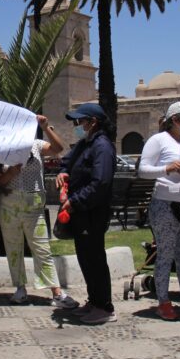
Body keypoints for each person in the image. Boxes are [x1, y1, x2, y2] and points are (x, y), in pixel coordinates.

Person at [0, 114, 78, 309]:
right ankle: (20, 288)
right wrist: (11, 173)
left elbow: (58, 148)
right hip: (9, 206)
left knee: (42, 249)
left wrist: (46, 127)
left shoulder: (37, 145)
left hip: (34, 207)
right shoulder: (2, 148)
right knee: (13, 248)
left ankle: (56, 292)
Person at [138, 101, 180, 320]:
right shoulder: (159, 140)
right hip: (166, 204)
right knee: (165, 254)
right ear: (175, 120)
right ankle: (164, 301)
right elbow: (143, 170)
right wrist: (167, 167)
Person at [55, 103, 117, 324]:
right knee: (85, 258)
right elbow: (67, 162)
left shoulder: (102, 146)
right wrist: (63, 173)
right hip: (81, 213)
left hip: (92, 213)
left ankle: (105, 306)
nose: (77, 126)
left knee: (95, 259)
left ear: (93, 122)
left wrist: (75, 201)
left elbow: (101, 182)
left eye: (80, 121)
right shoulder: (85, 144)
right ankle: (94, 300)